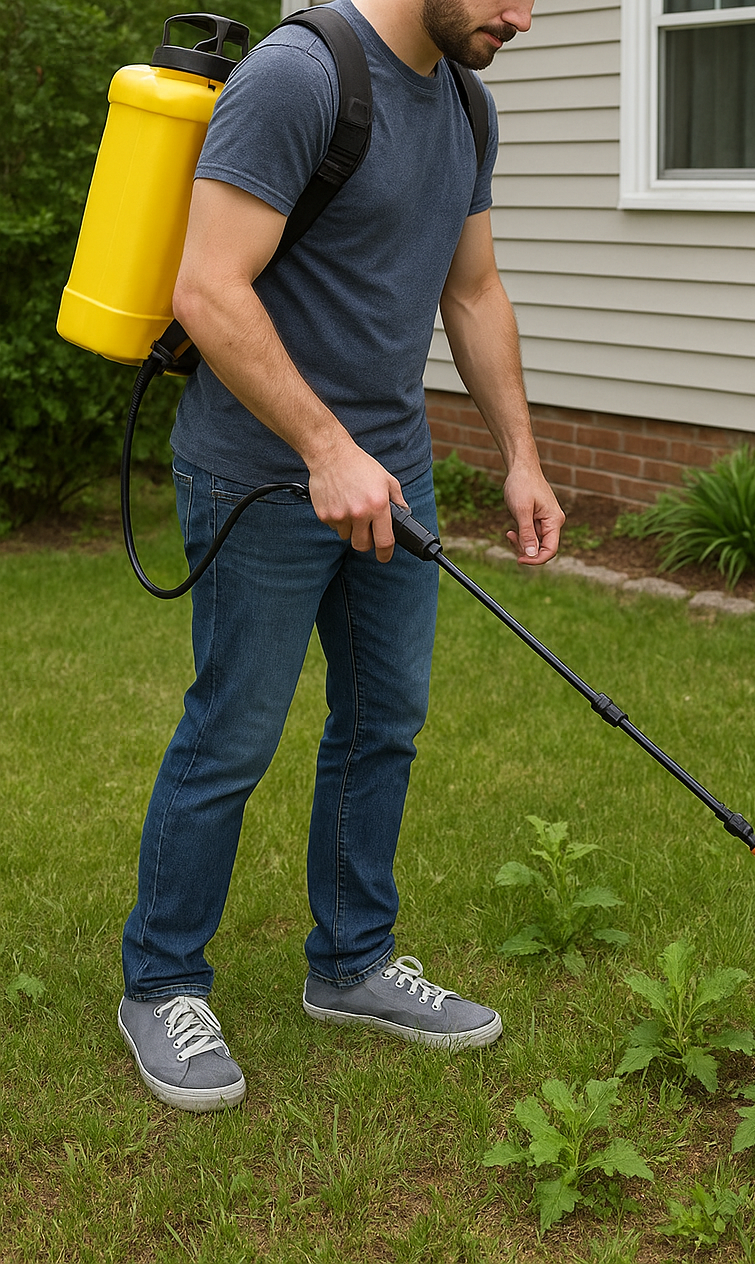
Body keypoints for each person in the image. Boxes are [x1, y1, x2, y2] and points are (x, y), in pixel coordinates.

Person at [116, 0, 564, 1112]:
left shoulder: (467, 104)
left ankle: (353, 961)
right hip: (260, 468)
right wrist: (323, 446)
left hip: (391, 469)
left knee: (383, 722)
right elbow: (207, 290)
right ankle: (159, 980)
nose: (524, 15)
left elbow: (472, 288)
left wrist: (522, 455)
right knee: (233, 732)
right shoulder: (298, 78)